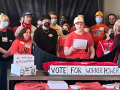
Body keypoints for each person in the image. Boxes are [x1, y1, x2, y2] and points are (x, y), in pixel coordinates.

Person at [0, 13, 15, 90]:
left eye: (7, 21)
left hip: (9, 59)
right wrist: (5, 52)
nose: (6, 22)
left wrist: (8, 53)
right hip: (0, 58)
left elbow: (13, 44)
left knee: (7, 77)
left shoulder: (10, 32)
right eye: (4, 20)